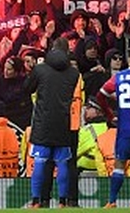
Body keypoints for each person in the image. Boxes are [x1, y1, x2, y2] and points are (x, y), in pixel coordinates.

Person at [24, 40, 81, 208]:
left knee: (40, 161)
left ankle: (36, 200)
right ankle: (63, 201)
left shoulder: (40, 69)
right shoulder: (74, 73)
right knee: (63, 162)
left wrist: (33, 71)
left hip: (43, 123)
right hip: (63, 123)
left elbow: (27, 88)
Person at [97, 46, 130, 208]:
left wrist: (110, 114)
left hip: (125, 126)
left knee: (119, 164)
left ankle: (112, 201)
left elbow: (101, 95)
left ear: (129, 59)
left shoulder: (119, 77)